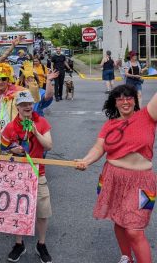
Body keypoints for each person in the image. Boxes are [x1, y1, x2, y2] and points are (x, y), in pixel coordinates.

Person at [76, 85, 157, 263]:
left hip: (142, 181)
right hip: (113, 177)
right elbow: (99, 147)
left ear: (135, 100)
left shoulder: (147, 116)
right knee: (119, 219)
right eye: (120, 98)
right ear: (115, 102)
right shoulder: (109, 125)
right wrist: (86, 160)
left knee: (134, 230)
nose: (125, 101)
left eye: (128, 98)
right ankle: (126, 257)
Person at [1, 91, 53, 263]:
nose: (28, 107)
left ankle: (41, 243)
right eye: (23, 104)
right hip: (18, 174)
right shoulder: (10, 127)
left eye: (30, 103)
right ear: (17, 107)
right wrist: (11, 150)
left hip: (38, 172)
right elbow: (2, 149)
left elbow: (49, 146)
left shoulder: (42, 122)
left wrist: (36, 132)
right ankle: (19, 243)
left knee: (42, 210)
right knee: (18, 209)